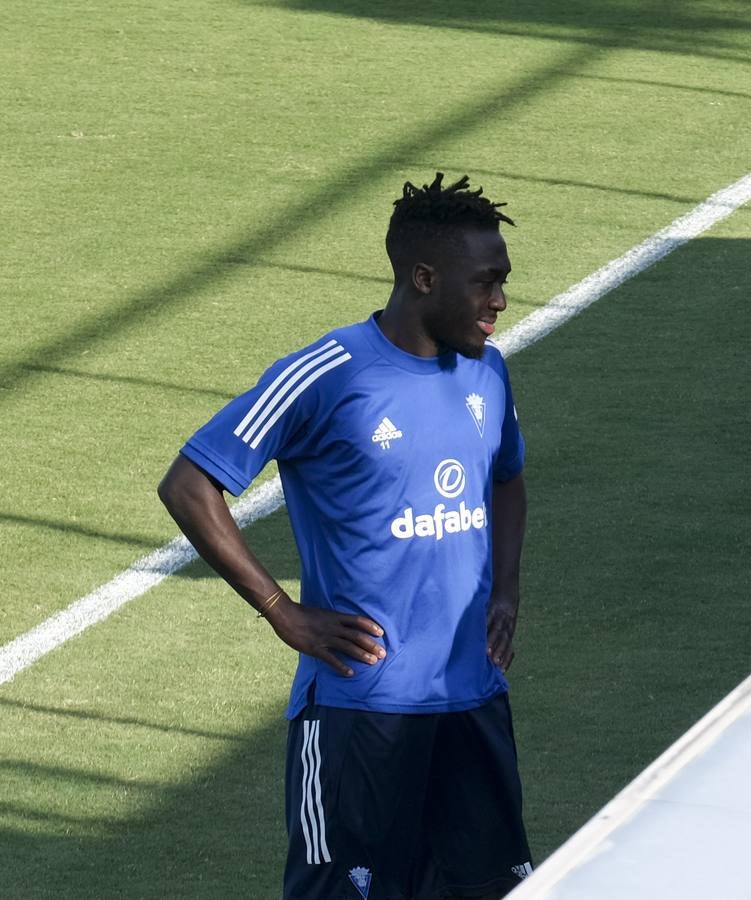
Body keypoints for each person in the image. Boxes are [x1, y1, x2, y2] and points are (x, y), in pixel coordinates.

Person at [158, 173, 533, 899]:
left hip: (472, 699)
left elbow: (508, 477)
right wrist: (280, 609)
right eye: (485, 283)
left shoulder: (487, 373)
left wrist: (508, 589)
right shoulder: (325, 374)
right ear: (424, 278)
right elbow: (189, 483)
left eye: (503, 282)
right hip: (361, 711)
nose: (499, 301)